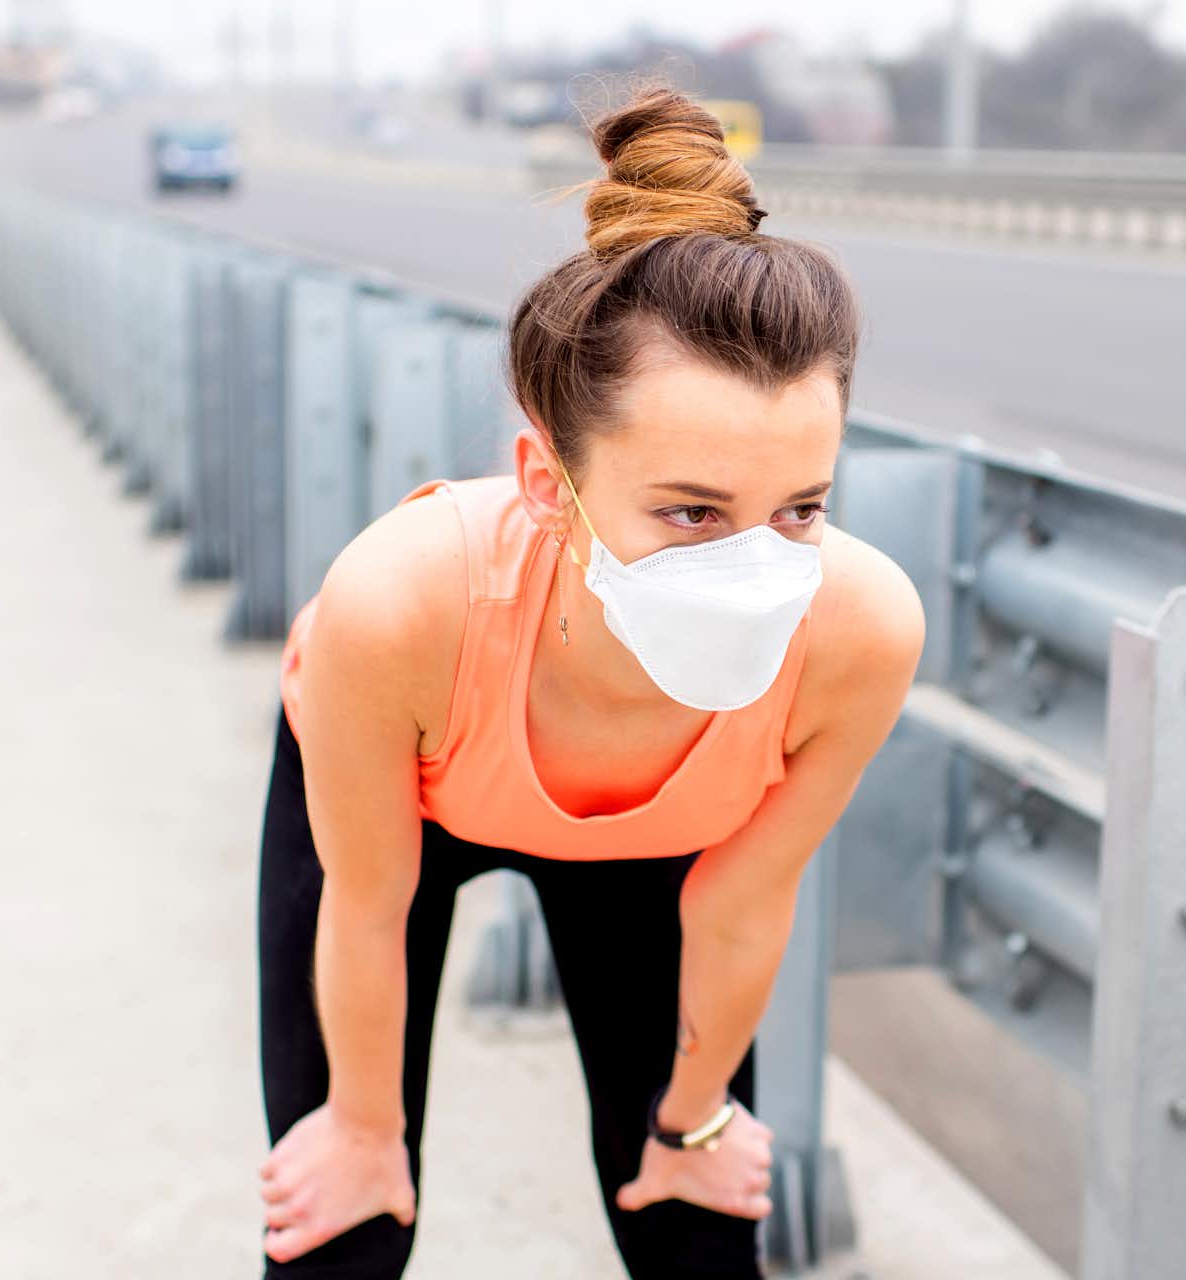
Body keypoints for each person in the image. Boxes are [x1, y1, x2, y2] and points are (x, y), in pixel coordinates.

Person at [252, 80, 925, 1278]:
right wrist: (362, 1125)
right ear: (544, 484)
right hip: (404, 806)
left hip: (654, 844)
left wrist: (692, 1121)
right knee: (340, 1226)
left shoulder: (857, 630)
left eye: (799, 508)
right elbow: (367, 905)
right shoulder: (397, 603)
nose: (753, 566)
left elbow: (743, 902)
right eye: (690, 511)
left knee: (695, 1228)